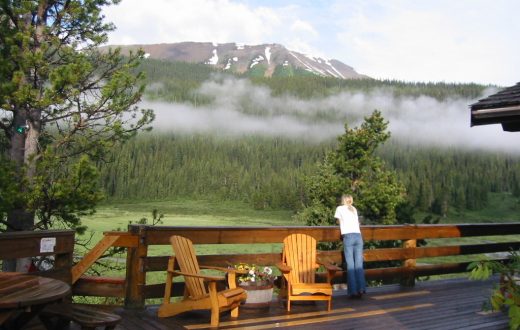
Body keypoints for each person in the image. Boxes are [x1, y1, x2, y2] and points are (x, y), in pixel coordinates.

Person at [334, 194, 366, 298]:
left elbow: (338, 221)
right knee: (359, 265)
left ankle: (353, 292)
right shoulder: (353, 209)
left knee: (351, 266)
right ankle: (361, 289)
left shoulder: (339, 208)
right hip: (358, 237)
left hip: (348, 237)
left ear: (343, 200)